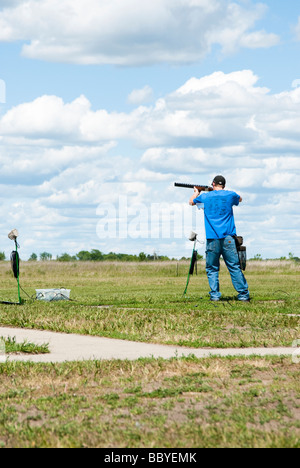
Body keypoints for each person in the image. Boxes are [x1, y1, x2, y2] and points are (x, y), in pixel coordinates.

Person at [189, 175, 250, 302]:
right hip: (228, 238)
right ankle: (243, 295)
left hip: (212, 239)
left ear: (213, 183)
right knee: (234, 267)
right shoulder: (230, 194)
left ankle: (215, 296)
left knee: (212, 269)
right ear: (224, 185)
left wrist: (196, 192)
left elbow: (191, 202)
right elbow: (240, 199)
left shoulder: (205, 197)